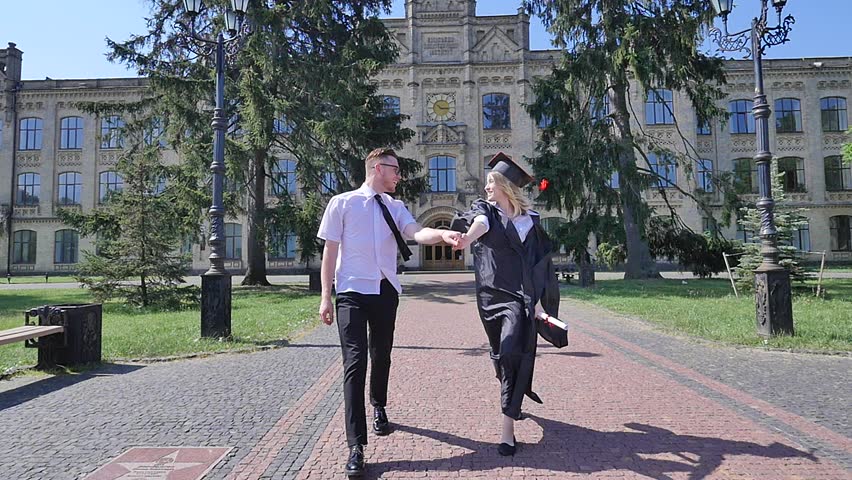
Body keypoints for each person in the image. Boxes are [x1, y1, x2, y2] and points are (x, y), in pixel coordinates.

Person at [317, 147, 461, 477]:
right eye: (395, 170)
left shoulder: (395, 206)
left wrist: (442, 234)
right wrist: (326, 297)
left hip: (384, 290)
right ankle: (356, 445)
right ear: (378, 169)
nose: (399, 176)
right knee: (355, 361)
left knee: (382, 354)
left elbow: (415, 232)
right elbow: (330, 252)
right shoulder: (343, 203)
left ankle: (378, 404)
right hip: (352, 291)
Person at [451, 152, 567, 456]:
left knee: (513, 351)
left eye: (492, 182)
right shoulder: (486, 211)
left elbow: (541, 266)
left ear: (506, 186)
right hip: (490, 296)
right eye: (488, 183)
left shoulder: (530, 223)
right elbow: (477, 224)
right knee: (502, 354)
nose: (487, 187)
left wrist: (540, 304)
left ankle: (507, 429)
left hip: (519, 297)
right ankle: (510, 386)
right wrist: (465, 240)